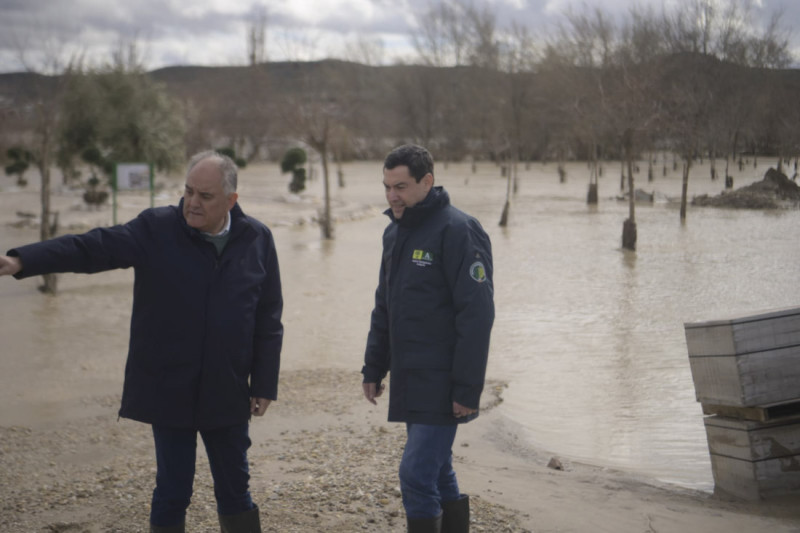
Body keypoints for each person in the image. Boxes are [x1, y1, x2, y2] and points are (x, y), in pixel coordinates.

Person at [0, 150, 283, 533]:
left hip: (227, 387)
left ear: (231, 200)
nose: (193, 203)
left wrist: (264, 383)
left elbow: (267, 317)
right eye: (188, 192)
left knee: (235, 489)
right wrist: (23, 261)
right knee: (172, 491)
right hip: (170, 387)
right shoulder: (156, 229)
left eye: (205, 196)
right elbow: (91, 247)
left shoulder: (257, 239)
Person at [361, 144, 494, 533]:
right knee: (437, 473)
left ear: (428, 181)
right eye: (387, 186)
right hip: (409, 376)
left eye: (400, 186)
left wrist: (466, 390)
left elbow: (477, 315)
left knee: (416, 474)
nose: (391, 196)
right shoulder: (394, 233)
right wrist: (373, 366)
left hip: (444, 380)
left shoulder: (459, 230)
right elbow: (384, 306)